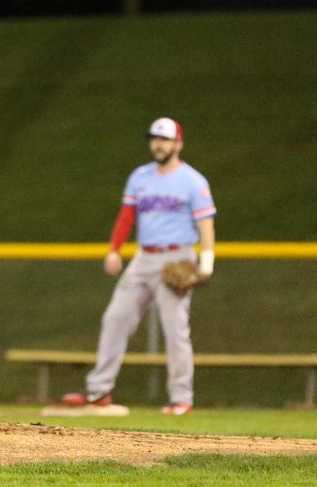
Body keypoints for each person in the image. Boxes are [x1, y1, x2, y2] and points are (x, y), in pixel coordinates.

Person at [61, 117, 216, 415]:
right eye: (155, 139)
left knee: (175, 330)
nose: (158, 144)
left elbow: (206, 225)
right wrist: (114, 250)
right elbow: (127, 216)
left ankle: (182, 398)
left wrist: (206, 263)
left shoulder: (193, 181)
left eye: (165, 139)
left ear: (178, 144)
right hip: (143, 259)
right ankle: (98, 391)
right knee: (115, 319)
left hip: (177, 258)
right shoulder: (140, 177)